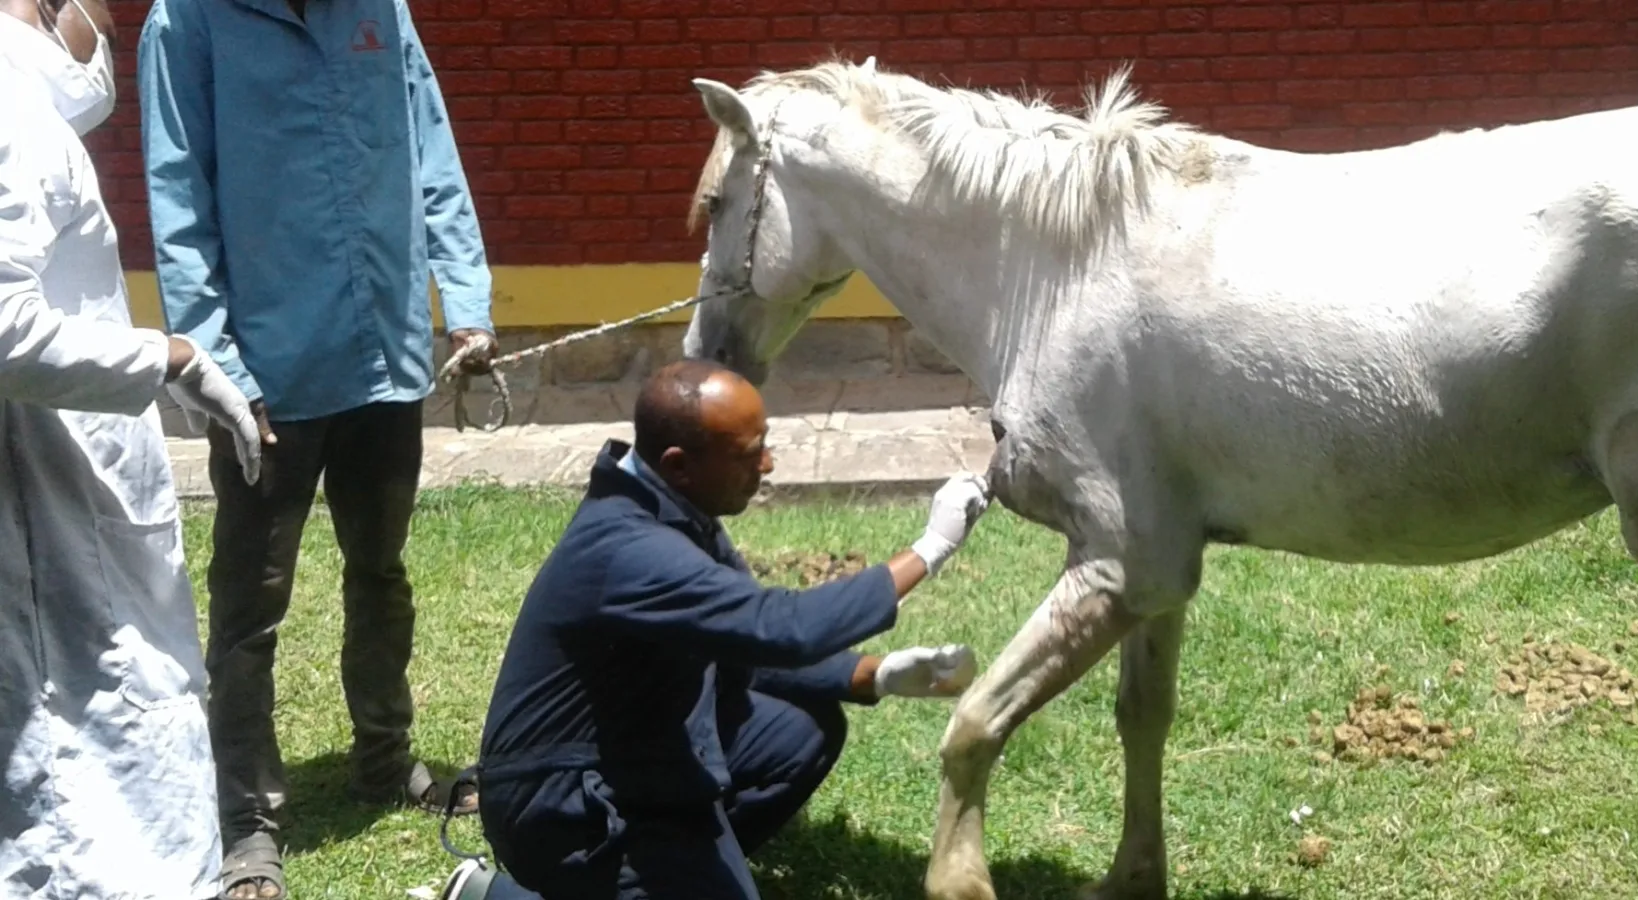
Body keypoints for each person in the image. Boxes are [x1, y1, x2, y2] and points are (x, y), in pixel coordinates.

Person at [136, 0, 498, 896]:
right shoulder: (187, 23)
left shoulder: (381, 9)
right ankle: (248, 823)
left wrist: (465, 293)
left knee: (381, 569)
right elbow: (177, 195)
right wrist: (216, 361)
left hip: (385, 350)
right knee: (251, 607)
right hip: (267, 372)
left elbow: (431, 145)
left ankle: (384, 758)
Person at [431, 359, 994, 900]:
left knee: (801, 732)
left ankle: (671, 872)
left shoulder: (674, 511)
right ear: (679, 465)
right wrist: (930, 549)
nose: (768, 464)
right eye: (750, 454)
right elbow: (779, 627)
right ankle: (503, 894)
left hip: (645, 759)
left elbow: (742, 646)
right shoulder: (630, 550)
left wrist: (875, 674)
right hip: (564, 802)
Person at [0, 0, 264, 895]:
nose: (108, 36)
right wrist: (167, 358)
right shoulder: (11, 109)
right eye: (97, 15)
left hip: (69, 507)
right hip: (49, 528)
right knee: (93, 790)